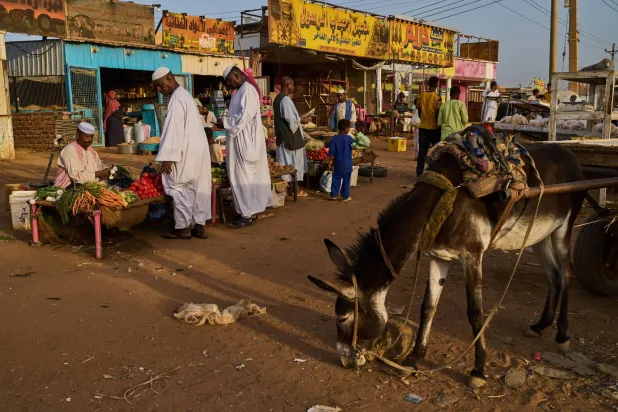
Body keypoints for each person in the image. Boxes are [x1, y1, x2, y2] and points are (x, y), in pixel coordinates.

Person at [152, 67, 212, 240]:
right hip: (198, 151)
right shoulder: (186, 96)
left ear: (170, 79)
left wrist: (168, 157)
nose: (160, 91)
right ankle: (200, 226)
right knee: (199, 188)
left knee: (179, 187)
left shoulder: (177, 99)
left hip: (184, 151)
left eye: (161, 86)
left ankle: (183, 228)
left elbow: (173, 129)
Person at [221, 66, 272, 229]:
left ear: (236, 76)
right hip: (242, 141)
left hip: (246, 143)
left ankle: (246, 215)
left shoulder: (247, 90)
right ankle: (248, 211)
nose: (228, 85)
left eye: (229, 81)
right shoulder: (240, 91)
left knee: (244, 178)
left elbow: (244, 116)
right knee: (245, 178)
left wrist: (225, 123)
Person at [274, 76, 308, 194]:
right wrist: (302, 120)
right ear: (288, 85)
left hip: (282, 137)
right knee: (293, 164)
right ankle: (295, 189)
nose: (293, 88)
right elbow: (291, 120)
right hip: (289, 138)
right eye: (292, 85)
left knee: (286, 163)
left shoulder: (277, 99)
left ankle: (287, 188)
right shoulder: (285, 100)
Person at [54, 122, 110, 189]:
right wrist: (100, 173)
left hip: (91, 185)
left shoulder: (92, 151)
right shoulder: (70, 150)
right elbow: (75, 176)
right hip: (70, 186)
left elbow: (100, 167)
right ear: (78, 134)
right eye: (86, 136)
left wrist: (110, 171)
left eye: (92, 136)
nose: (90, 139)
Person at [416, 76, 442, 176]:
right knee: (435, 153)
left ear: (428, 84)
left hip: (423, 128)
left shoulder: (421, 96)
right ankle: (433, 173)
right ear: (436, 85)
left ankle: (419, 174)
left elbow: (419, 112)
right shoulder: (437, 98)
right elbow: (438, 114)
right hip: (434, 129)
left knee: (422, 153)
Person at [328, 119, 354, 202]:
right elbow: (357, 144)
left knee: (336, 178)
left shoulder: (334, 138)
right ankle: (345, 196)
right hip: (347, 164)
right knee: (346, 180)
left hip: (338, 163)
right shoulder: (349, 138)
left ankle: (334, 195)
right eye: (349, 128)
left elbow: (331, 151)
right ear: (346, 128)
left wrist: (330, 162)